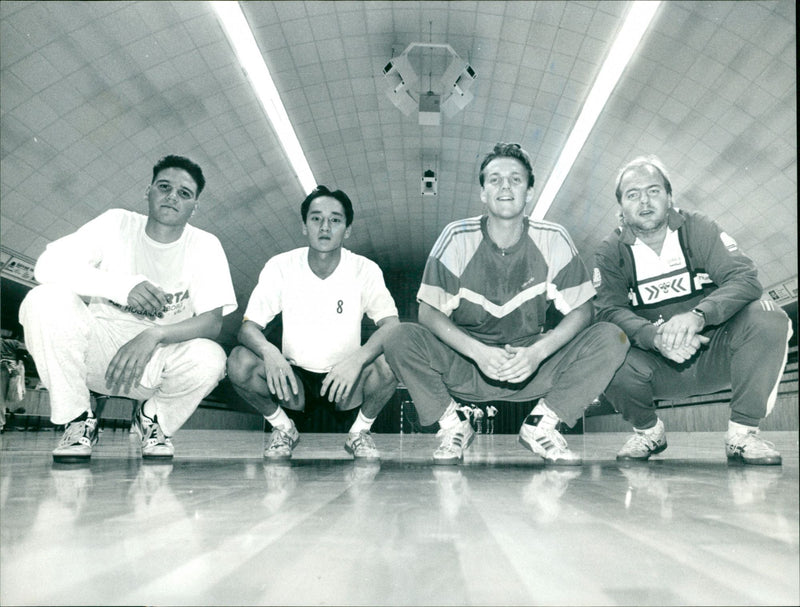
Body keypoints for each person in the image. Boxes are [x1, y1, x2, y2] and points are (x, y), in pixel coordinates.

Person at [384, 143, 629, 465]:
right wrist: (478, 353)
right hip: (469, 365)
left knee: (613, 337)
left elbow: (584, 309)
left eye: (515, 179)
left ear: (529, 191)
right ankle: (453, 426)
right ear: (483, 192)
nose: (505, 187)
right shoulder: (456, 237)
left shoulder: (553, 237)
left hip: (531, 364)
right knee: (397, 337)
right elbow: (428, 311)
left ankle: (542, 425)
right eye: (495, 179)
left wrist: (538, 352)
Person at [19, 155, 237, 462]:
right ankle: (79, 419)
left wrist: (154, 334)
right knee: (43, 299)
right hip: (97, 354)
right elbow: (46, 266)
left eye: (184, 193)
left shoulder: (204, 245)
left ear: (194, 206)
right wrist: (121, 287)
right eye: (164, 187)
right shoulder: (116, 223)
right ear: (147, 191)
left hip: (154, 362)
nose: (172, 196)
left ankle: (153, 419)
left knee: (211, 356)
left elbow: (212, 322)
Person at [593, 155, 792, 465]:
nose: (644, 200)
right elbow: (608, 311)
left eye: (654, 191)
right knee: (600, 345)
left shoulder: (697, 228)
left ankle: (742, 434)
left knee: (769, 315)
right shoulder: (610, 251)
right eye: (633, 194)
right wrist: (654, 337)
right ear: (621, 207)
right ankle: (648, 432)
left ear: (669, 197)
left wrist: (699, 316)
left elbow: (745, 278)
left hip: (715, 352)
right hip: (657, 364)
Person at [226, 186, 399, 461]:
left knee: (393, 358)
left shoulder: (364, 269)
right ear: (304, 226)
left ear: (348, 229)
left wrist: (357, 361)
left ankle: (360, 432)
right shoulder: (281, 266)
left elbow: (392, 326)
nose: (325, 227)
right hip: (293, 382)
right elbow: (248, 328)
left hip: (345, 383)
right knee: (239, 361)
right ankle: (284, 428)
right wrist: (270, 352)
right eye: (316, 218)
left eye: (335, 220)